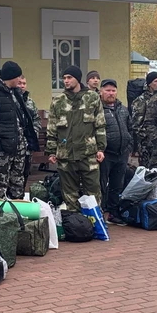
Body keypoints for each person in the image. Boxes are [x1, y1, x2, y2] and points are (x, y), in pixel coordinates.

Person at [46, 65, 106, 211]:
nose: (66, 81)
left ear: (77, 79)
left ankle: (95, 223)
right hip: (66, 155)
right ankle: (75, 225)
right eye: (64, 78)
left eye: (69, 78)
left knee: (93, 192)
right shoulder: (58, 101)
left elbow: (100, 124)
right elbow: (52, 128)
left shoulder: (92, 98)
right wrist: (51, 151)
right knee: (69, 195)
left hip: (88, 154)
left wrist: (101, 148)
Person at [0, 61, 37, 199]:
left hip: (20, 148)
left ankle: (18, 213)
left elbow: (24, 119)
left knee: (18, 183)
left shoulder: (16, 93)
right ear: (12, 77)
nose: (20, 81)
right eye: (18, 77)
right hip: (2, 150)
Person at [98, 79, 132, 221]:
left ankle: (113, 212)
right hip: (105, 154)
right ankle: (99, 212)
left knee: (117, 185)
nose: (110, 93)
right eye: (107, 90)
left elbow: (130, 128)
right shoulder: (97, 109)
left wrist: (130, 147)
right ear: (101, 92)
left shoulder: (122, 109)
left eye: (113, 90)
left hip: (121, 154)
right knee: (101, 184)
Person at [132, 71, 157, 161]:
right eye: (156, 81)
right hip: (147, 144)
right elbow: (137, 124)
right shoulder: (141, 101)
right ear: (149, 84)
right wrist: (148, 138)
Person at [17, 77, 42, 181]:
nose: (22, 86)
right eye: (20, 83)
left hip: (28, 145)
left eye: (24, 83)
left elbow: (36, 119)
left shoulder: (30, 102)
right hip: (15, 146)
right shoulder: (11, 100)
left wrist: (34, 132)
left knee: (25, 173)